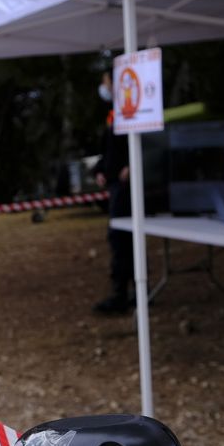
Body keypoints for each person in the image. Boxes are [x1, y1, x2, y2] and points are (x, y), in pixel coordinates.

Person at [92, 74, 134, 315]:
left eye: (106, 81)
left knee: (122, 240)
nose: (103, 87)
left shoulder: (130, 114)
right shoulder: (112, 116)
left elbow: (138, 146)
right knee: (119, 240)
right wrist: (100, 169)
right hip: (115, 186)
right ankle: (124, 290)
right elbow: (107, 151)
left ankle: (124, 293)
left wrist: (131, 165)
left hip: (125, 189)